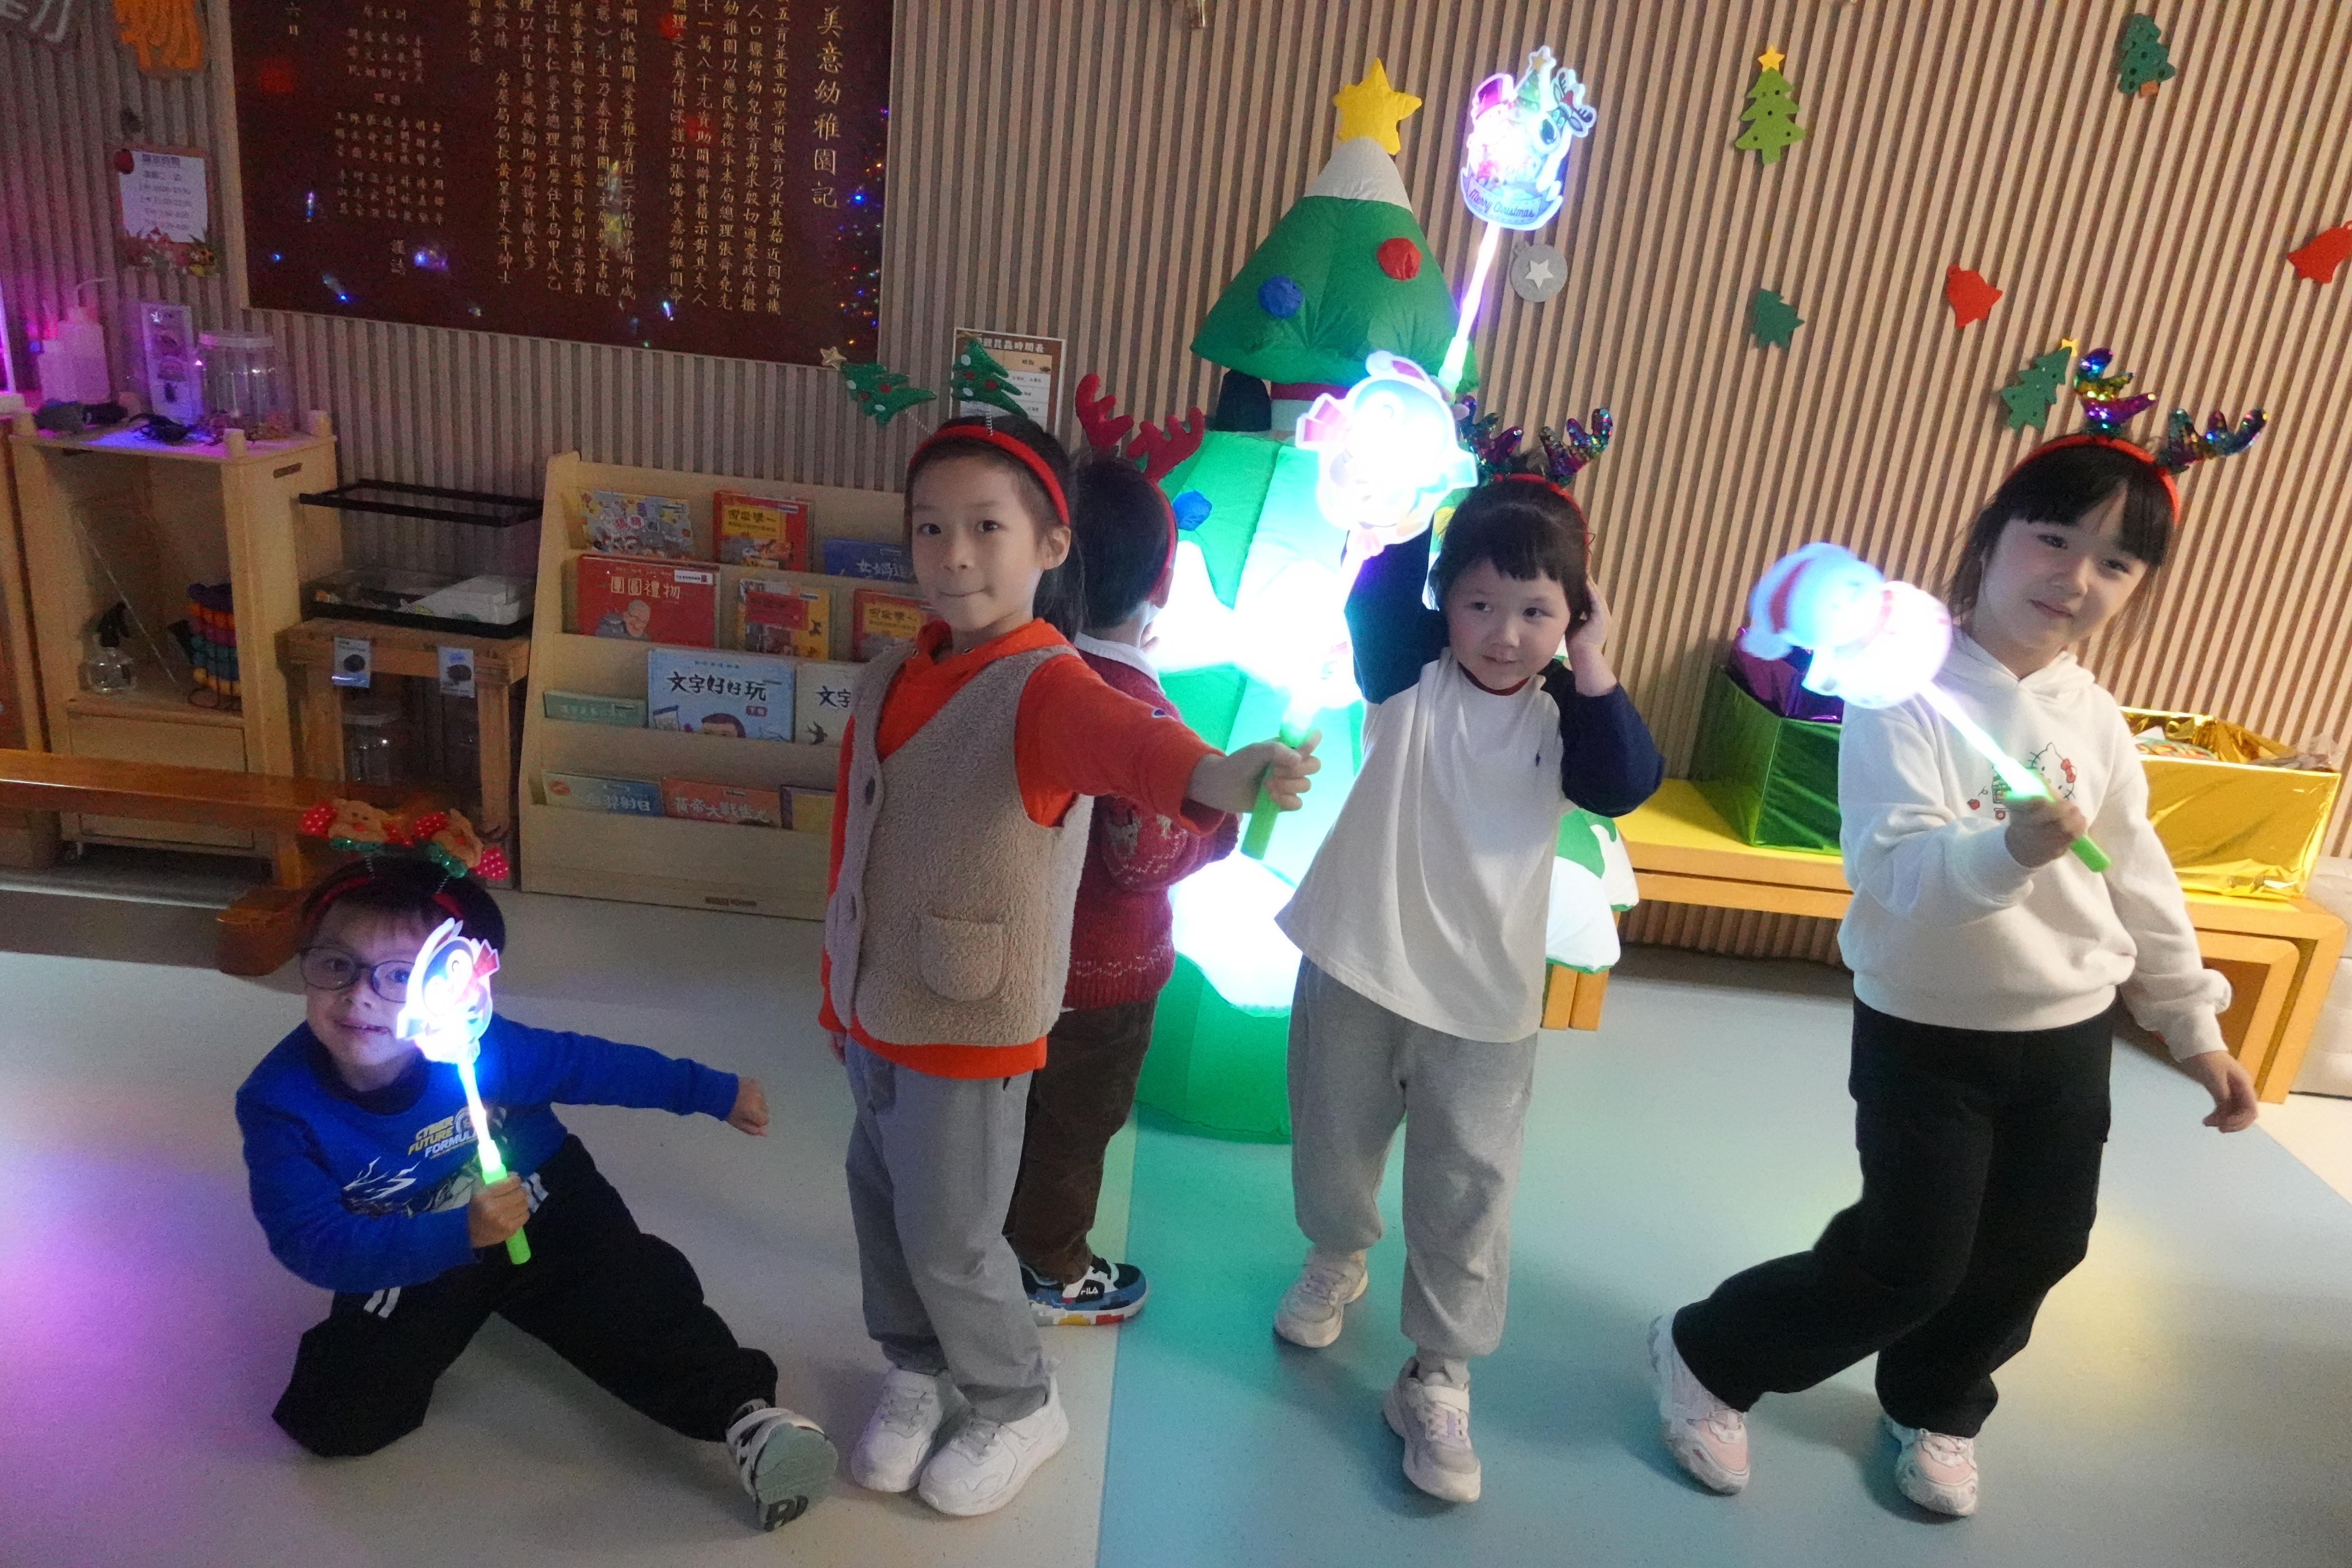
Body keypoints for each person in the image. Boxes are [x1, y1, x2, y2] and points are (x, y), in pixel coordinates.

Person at [1653, 435, 2261, 1519]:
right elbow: (1893, 875)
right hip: (1927, 1029)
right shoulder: (1901, 693)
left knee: (2041, 1244)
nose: (2075, 578)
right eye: (2053, 539)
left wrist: (2193, 1023)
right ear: (1991, 538)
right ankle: (1711, 1350)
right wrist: (2009, 850)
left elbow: (2139, 877)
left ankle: (1937, 1399)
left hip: (2067, 1028)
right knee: (1910, 1260)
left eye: (2116, 562)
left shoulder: (2094, 717)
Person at [822, 414, 1317, 1517]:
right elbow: (855, 846)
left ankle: (1017, 1400)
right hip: (875, 1003)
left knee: (954, 1236)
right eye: (930, 527)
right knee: (881, 1201)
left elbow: (1136, 747)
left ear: (1051, 547)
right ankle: (915, 1366)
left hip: (971, 1014)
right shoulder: (890, 674)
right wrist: (833, 990)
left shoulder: (1047, 682)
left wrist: (1225, 776)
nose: (953, 554)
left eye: (986, 528)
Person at [1272, 467, 1663, 1503]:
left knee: (1468, 1192)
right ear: (1445, 602)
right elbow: (1377, 606)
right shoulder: (1411, 679)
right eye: (1480, 604)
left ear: (1575, 616)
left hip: (1485, 999)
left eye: (1536, 611)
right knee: (1332, 1143)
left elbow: (1625, 780)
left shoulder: (1565, 717)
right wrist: (1408, 496)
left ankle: (1438, 1373)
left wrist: (1593, 661)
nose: (1504, 634)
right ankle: (1337, 1255)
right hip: (1359, 958)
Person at [236, 857, 835, 1532]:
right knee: (336, 1416)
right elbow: (311, 1241)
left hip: (543, 1197)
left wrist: (711, 1091)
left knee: (633, 1297)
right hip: (420, 1239)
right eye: (336, 965)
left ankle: (749, 1419)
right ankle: (470, 1299)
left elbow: (589, 1065)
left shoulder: (483, 1047)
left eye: (401, 975)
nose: (359, 997)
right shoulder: (280, 1103)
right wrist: (457, 1235)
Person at [1004, 457, 1240, 1326]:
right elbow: (1143, 852)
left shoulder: (1024, 673)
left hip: (1011, 958)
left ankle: (985, 1245)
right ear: (1164, 581)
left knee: (1006, 1118)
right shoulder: (1136, 704)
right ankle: (1052, 1269)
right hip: (1103, 980)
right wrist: (1220, 827)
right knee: (1075, 1128)